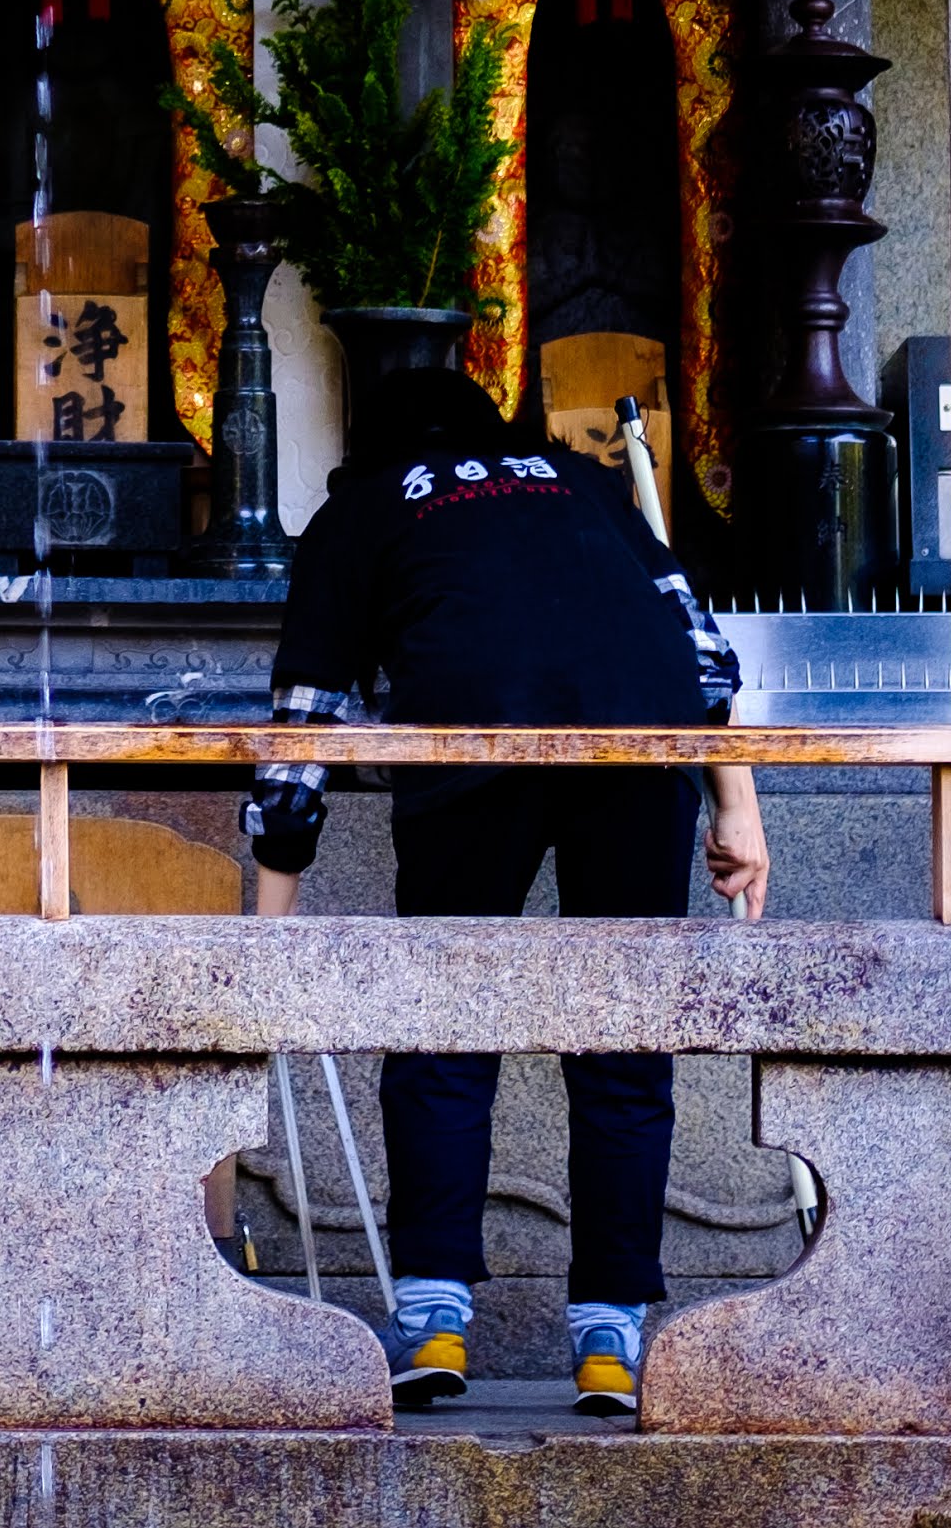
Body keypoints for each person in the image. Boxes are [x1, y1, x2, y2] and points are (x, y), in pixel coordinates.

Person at [244, 365, 766, 1418]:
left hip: (472, 735)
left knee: (441, 1023)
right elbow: (699, 650)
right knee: (620, 1037)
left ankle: (432, 1320)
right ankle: (611, 1336)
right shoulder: (577, 480)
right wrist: (737, 809)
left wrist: (269, 923)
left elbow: (301, 726)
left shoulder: (358, 511)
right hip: (639, 738)